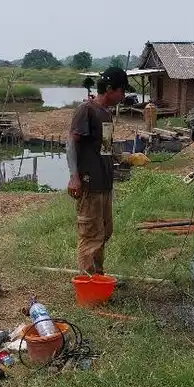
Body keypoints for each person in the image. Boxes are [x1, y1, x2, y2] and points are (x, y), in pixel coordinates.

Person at [65, 66, 131, 274]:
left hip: (104, 184)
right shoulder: (87, 110)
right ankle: (88, 282)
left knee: (104, 232)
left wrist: (125, 158)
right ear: (110, 89)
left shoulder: (105, 113)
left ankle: (97, 275)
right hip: (89, 182)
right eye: (122, 91)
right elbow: (70, 144)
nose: (123, 96)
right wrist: (74, 177)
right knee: (91, 234)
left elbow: (104, 147)